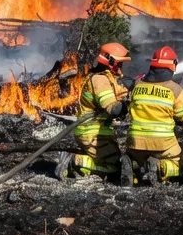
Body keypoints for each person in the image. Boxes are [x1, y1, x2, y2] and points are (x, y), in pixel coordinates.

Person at [56, 42, 131, 180]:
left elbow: (118, 94)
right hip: (93, 134)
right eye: (119, 64)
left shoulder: (105, 78)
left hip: (98, 133)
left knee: (117, 161)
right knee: (116, 168)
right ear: (111, 62)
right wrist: (129, 105)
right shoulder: (100, 80)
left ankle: (83, 161)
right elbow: (113, 109)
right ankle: (74, 161)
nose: (121, 67)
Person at [125, 46, 183, 184]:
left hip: (135, 143)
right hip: (163, 145)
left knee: (137, 160)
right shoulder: (176, 90)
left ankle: (132, 164)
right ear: (173, 65)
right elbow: (182, 118)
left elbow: (128, 107)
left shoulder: (137, 85)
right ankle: (160, 167)